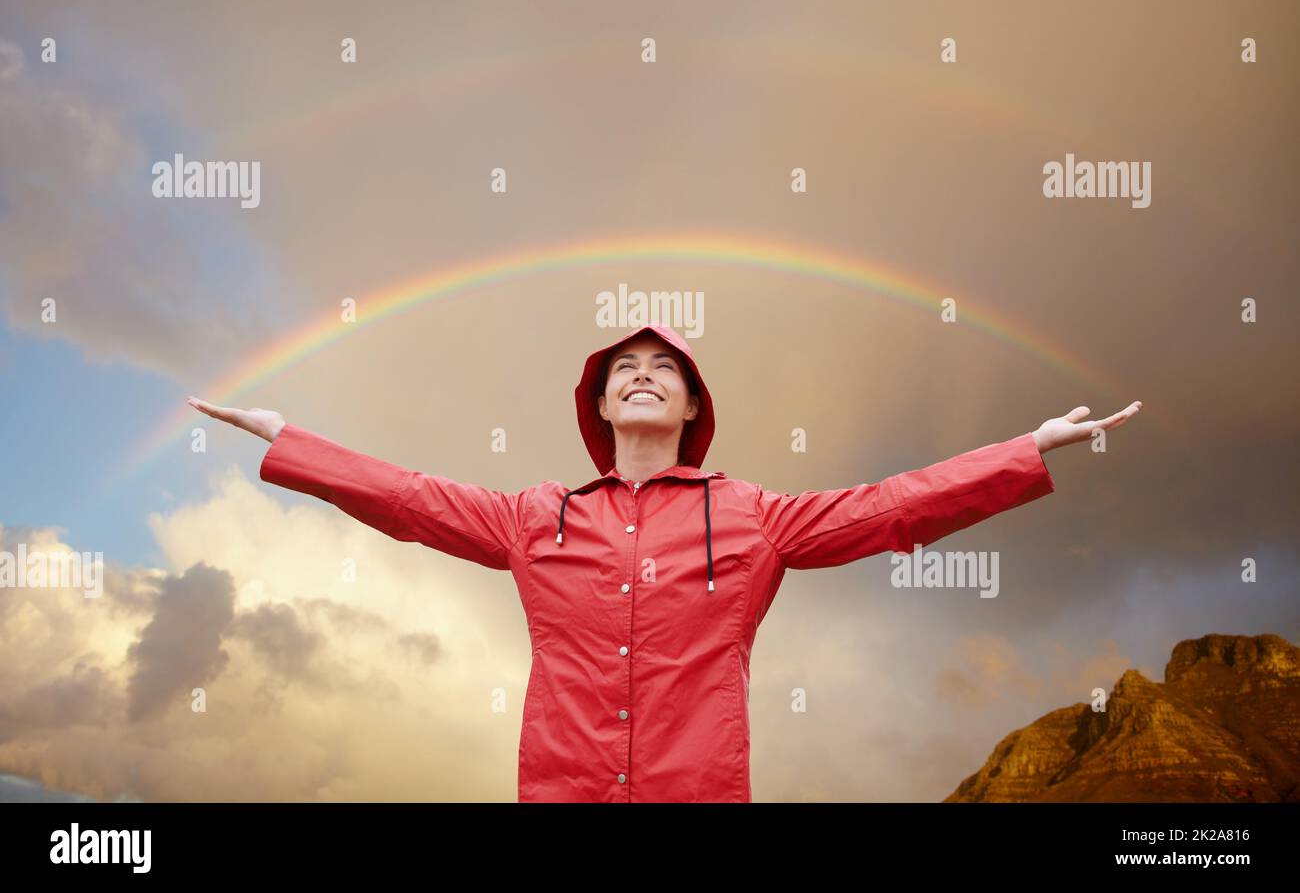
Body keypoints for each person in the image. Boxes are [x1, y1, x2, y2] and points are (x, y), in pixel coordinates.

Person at [187, 322, 1141, 802]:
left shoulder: (755, 516)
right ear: (599, 409)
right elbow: (409, 499)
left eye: (665, 370)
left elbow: (890, 508)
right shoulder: (535, 518)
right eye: (622, 373)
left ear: (691, 408)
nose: (642, 375)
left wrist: (1027, 447)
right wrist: (291, 441)